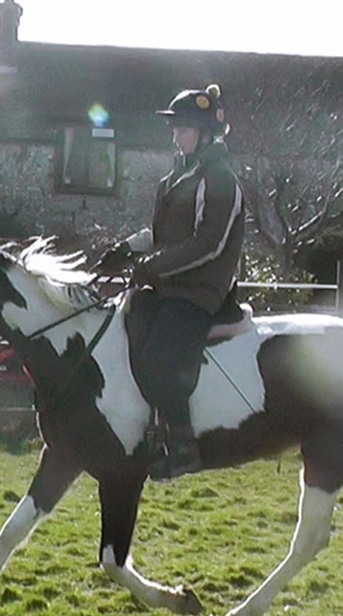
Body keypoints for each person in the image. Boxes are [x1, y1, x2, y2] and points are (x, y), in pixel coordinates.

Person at [101, 84, 245, 480]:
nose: (176, 137)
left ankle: (184, 447)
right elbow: (161, 234)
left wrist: (152, 267)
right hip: (168, 286)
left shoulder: (220, 180)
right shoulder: (176, 178)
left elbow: (209, 244)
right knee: (124, 330)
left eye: (183, 129)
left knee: (159, 361)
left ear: (206, 134)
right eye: (175, 129)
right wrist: (125, 249)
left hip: (200, 291)